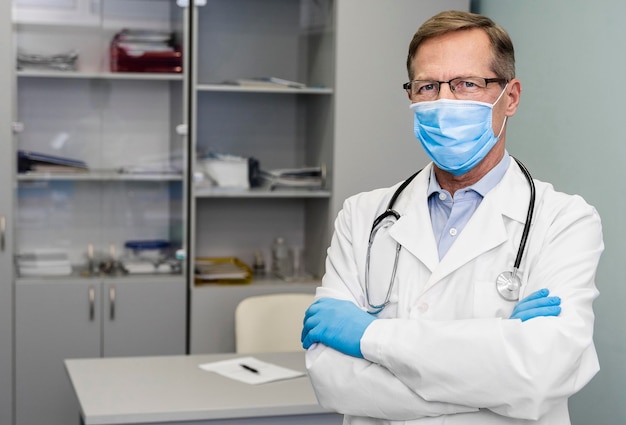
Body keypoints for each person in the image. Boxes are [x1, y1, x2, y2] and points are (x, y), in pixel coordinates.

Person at [301, 10, 603, 425]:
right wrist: (493, 368)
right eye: (427, 86)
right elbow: (331, 380)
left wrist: (368, 336)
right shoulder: (363, 216)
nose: (445, 102)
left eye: (466, 84)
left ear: (510, 97)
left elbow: (540, 372)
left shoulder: (565, 221)